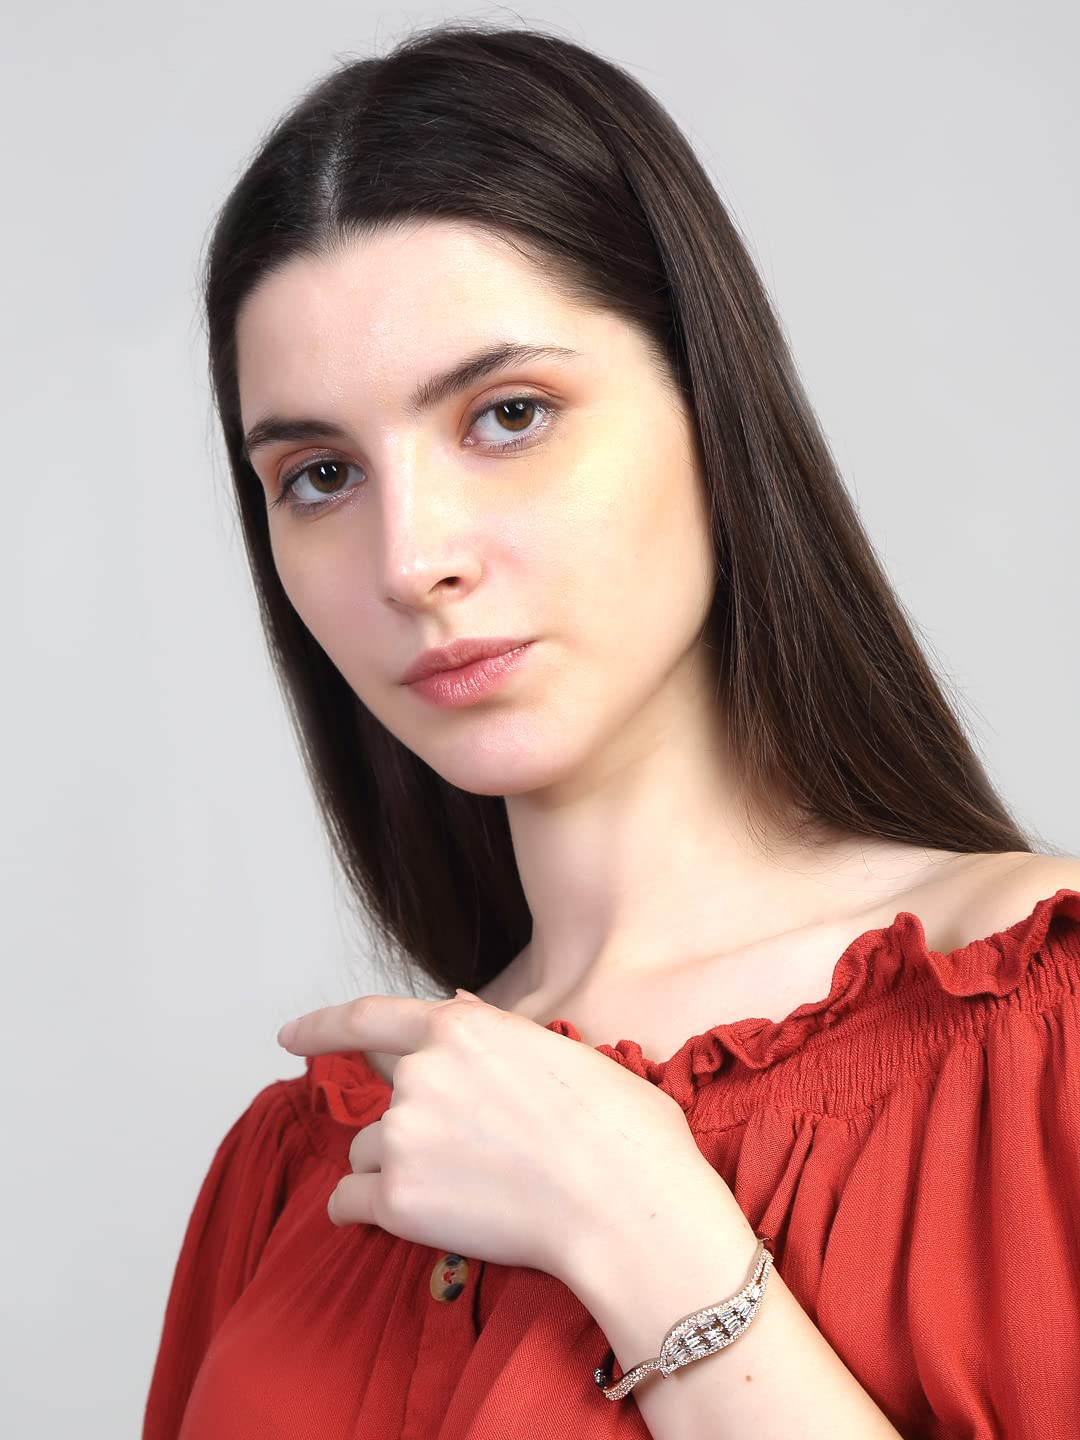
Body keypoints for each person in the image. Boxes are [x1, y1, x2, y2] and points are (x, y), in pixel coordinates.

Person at [142, 20, 1080, 1440]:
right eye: (320, 475)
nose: (412, 560)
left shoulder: (1038, 1038)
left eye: (508, 414)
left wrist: (644, 1234)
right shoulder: (306, 1171)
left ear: (713, 406)